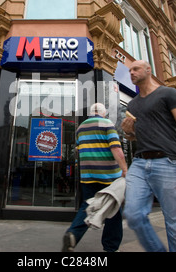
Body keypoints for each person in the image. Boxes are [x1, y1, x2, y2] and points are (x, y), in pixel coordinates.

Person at [121, 60, 176, 252]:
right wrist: (129, 133)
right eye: (129, 70)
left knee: (175, 225)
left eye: (135, 69)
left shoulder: (168, 93)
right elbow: (137, 136)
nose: (132, 73)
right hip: (139, 162)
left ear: (148, 70)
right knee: (134, 214)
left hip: (168, 161)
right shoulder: (133, 104)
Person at [62, 103, 128, 252]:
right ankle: (111, 248)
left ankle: (73, 233)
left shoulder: (80, 128)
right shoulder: (107, 124)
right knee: (114, 210)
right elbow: (116, 148)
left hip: (88, 176)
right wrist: (125, 170)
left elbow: (78, 151)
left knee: (88, 206)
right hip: (109, 177)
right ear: (103, 113)